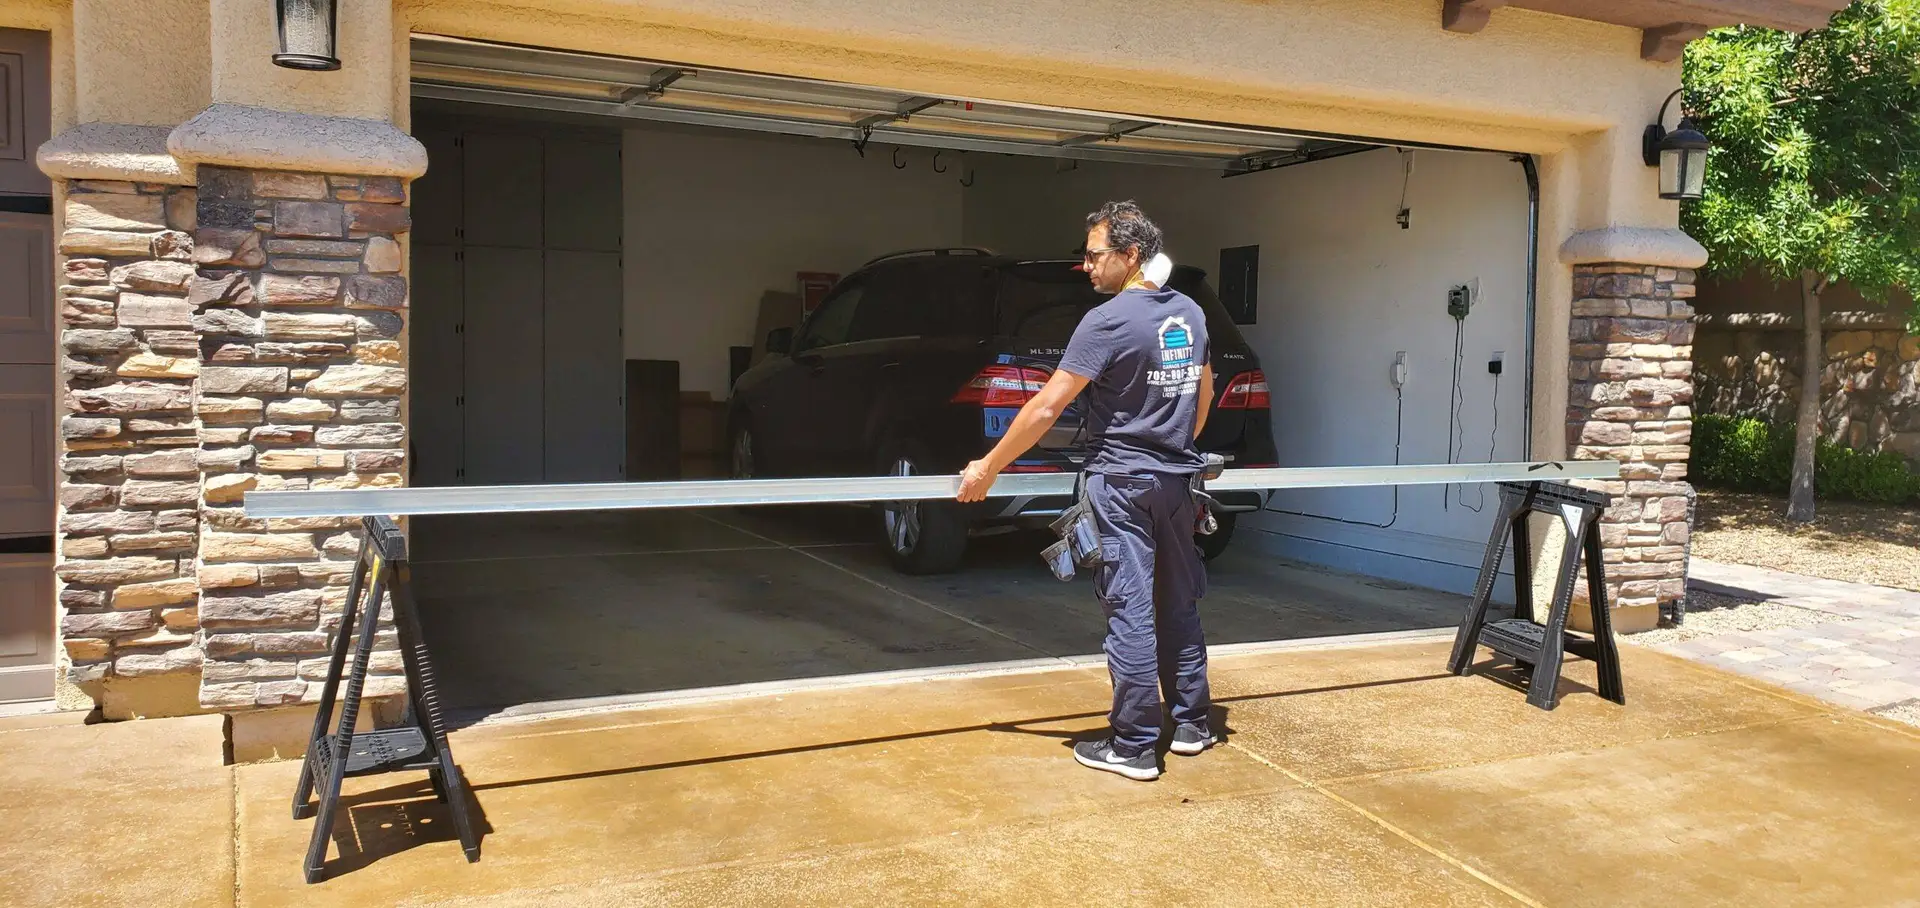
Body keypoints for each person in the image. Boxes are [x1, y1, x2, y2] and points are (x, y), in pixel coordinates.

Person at [957, 200, 1214, 782]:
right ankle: (1193, 723)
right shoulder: (1192, 314)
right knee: (1177, 600)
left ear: (1130, 255)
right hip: (1177, 483)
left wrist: (991, 466)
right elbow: (1202, 396)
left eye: (1095, 255)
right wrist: (1173, 445)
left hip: (1122, 484)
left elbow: (1048, 405)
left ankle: (1134, 745)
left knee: (1130, 609)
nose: (1086, 267)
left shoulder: (1108, 321)